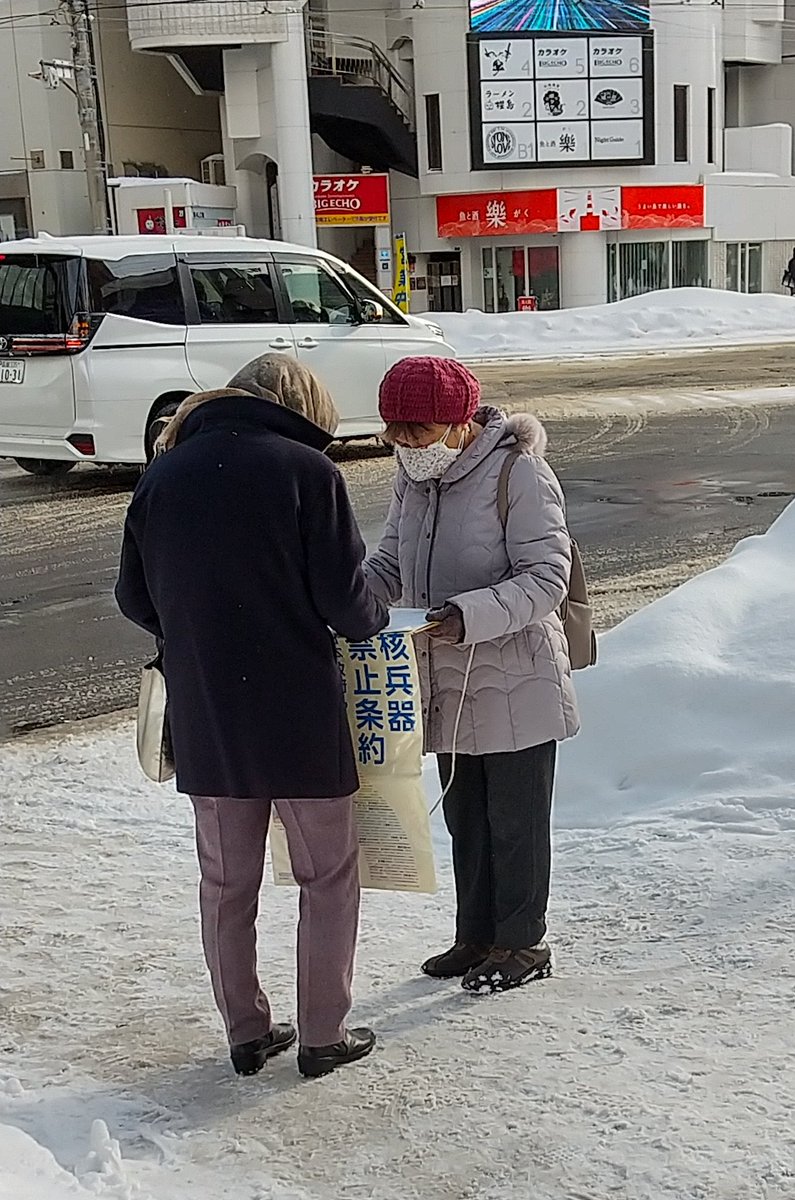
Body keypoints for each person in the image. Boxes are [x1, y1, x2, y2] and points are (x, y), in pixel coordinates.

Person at [116, 355, 388, 1078]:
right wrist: (375, 613)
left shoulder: (161, 475)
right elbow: (346, 603)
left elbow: (133, 598)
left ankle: (244, 1031)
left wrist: (190, 631)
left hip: (207, 708)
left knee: (225, 881)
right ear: (302, 409)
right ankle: (322, 1035)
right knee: (326, 875)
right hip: (297, 706)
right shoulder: (307, 472)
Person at [365, 357, 580, 994]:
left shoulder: (519, 472)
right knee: (467, 817)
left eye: (420, 432)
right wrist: (349, 599)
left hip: (517, 678)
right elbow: (388, 562)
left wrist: (466, 614)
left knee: (516, 820)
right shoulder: (412, 479)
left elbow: (547, 578)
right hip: (447, 682)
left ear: (460, 424)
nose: (407, 446)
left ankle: (521, 943)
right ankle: (475, 935)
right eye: (395, 433)